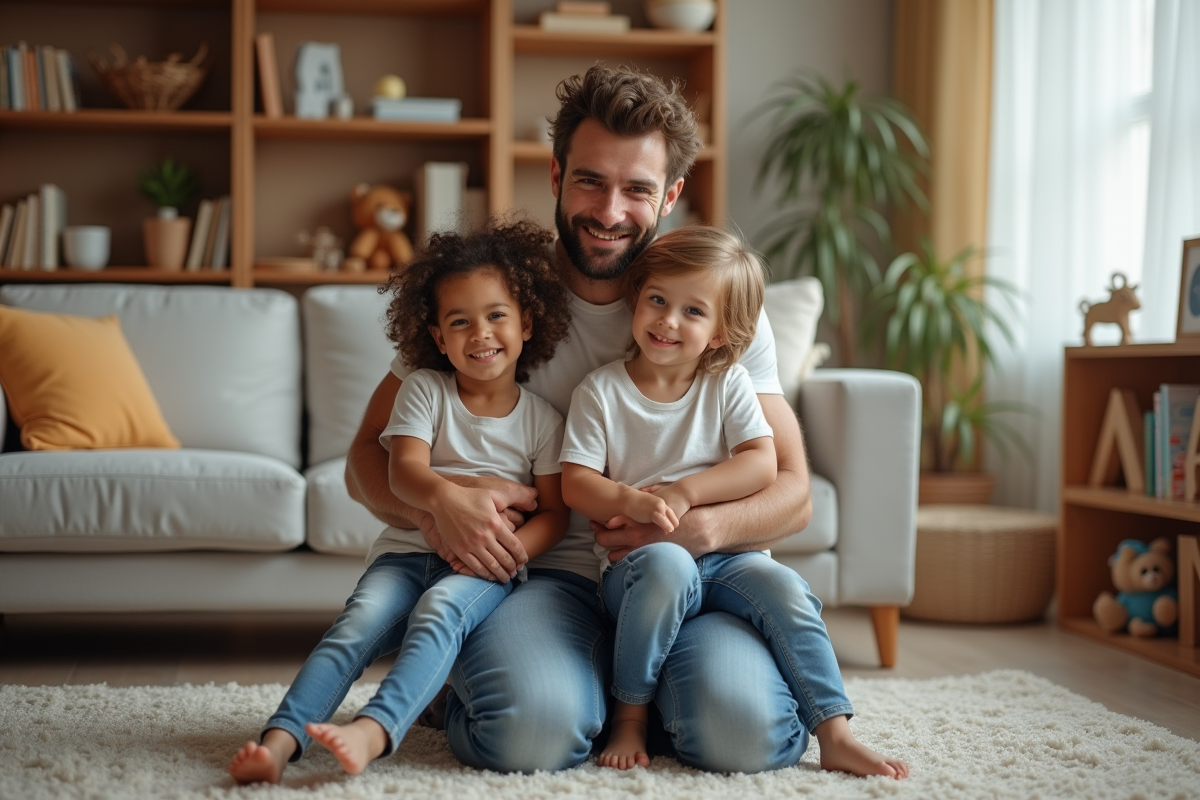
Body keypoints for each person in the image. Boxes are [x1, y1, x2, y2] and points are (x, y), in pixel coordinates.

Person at [344, 64, 819, 774]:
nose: (610, 210)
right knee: (530, 735)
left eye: (637, 189)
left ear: (672, 195)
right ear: (557, 174)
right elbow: (362, 461)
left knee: (742, 737)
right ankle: (522, 689)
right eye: (591, 180)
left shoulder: (710, 304)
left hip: (690, 577)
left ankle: (634, 695)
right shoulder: (496, 297)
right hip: (543, 581)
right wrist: (437, 514)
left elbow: (794, 492)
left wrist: (705, 529)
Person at [228, 219, 572, 784]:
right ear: (437, 338)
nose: (480, 333)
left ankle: (372, 732)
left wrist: (507, 552)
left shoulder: (543, 421)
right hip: (405, 555)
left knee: (439, 615)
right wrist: (445, 501)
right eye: (459, 322)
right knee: (355, 625)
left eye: (496, 316)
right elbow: (403, 471)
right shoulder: (424, 390)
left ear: (527, 321)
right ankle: (278, 742)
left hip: (486, 566)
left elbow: (556, 513)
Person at [560, 226, 907, 778]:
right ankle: (629, 714)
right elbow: (575, 482)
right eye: (657, 300)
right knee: (670, 563)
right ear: (637, 299)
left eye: (692, 312)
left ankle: (834, 731)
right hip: (640, 568)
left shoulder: (727, 384)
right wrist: (629, 500)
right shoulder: (601, 391)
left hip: (726, 560)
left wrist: (685, 494)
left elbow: (761, 463)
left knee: (785, 586)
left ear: (721, 334)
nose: (668, 321)